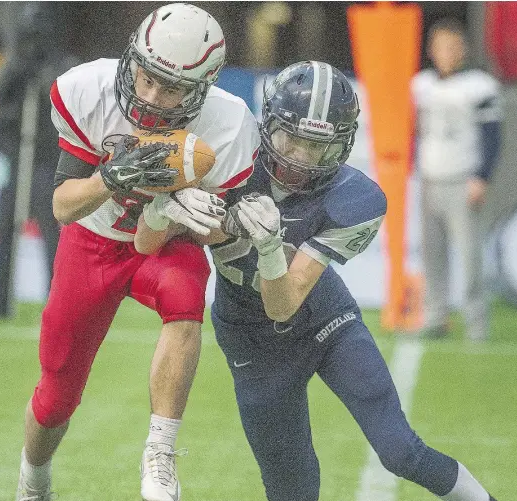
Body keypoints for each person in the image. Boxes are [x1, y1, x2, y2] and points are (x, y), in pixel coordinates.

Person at [202, 61, 499, 500]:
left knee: (401, 452)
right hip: (251, 341)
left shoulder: (353, 198)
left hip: (323, 322)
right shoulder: (229, 158)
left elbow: (283, 304)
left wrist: (267, 247)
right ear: (267, 126)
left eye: (316, 147)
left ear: (341, 147)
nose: (299, 158)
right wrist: (172, 207)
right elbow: (168, 234)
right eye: (292, 139)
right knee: (292, 488)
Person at [15, 4, 260, 501]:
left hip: (164, 243)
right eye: (146, 78)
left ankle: (161, 452)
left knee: (186, 295)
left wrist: (202, 216)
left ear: (202, 88)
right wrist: (110, 178)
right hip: (93, 240)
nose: (150, 96)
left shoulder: (228, 125)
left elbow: (222, 236)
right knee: (56, 395)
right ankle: (33, 480)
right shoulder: (90, 89)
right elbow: (62, 206)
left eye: (170, 88)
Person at [411, 18, 502, 341]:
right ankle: (436, 316)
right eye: (441, 46)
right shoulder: (420, 84)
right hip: (430, 178)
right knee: (432, 252)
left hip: (462, 178)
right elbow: (413, 132)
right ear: (431, 50)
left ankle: (477, 321)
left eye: (453, 46)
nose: (447, 53)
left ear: (462, 49)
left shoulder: (480, 85)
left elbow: (492, 135)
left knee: (469, 254)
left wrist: (482, 176)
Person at [0, 3, 81, 318]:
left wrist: (47, 78)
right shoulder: (13, 66)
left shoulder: (61, 67)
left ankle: (57, 303)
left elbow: (71, 103)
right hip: (16, 160)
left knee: (52, 235)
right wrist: (17, 65)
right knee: (5, 227)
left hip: (46, 161)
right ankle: (0, 302)